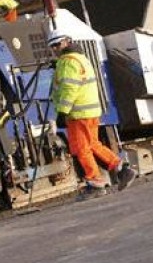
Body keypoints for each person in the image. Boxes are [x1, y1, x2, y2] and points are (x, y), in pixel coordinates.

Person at [47, 28, 136, 198]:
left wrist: (62, 112)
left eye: (58, 44)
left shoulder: (67, 62)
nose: (56, 49)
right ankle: (121, 169)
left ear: (67, 41)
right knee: (93, 144)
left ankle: (95, 184)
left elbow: (69, 88)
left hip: (77, 114)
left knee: (81, 149)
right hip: (89, 111)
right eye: (53, 46)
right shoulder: (79, 58)